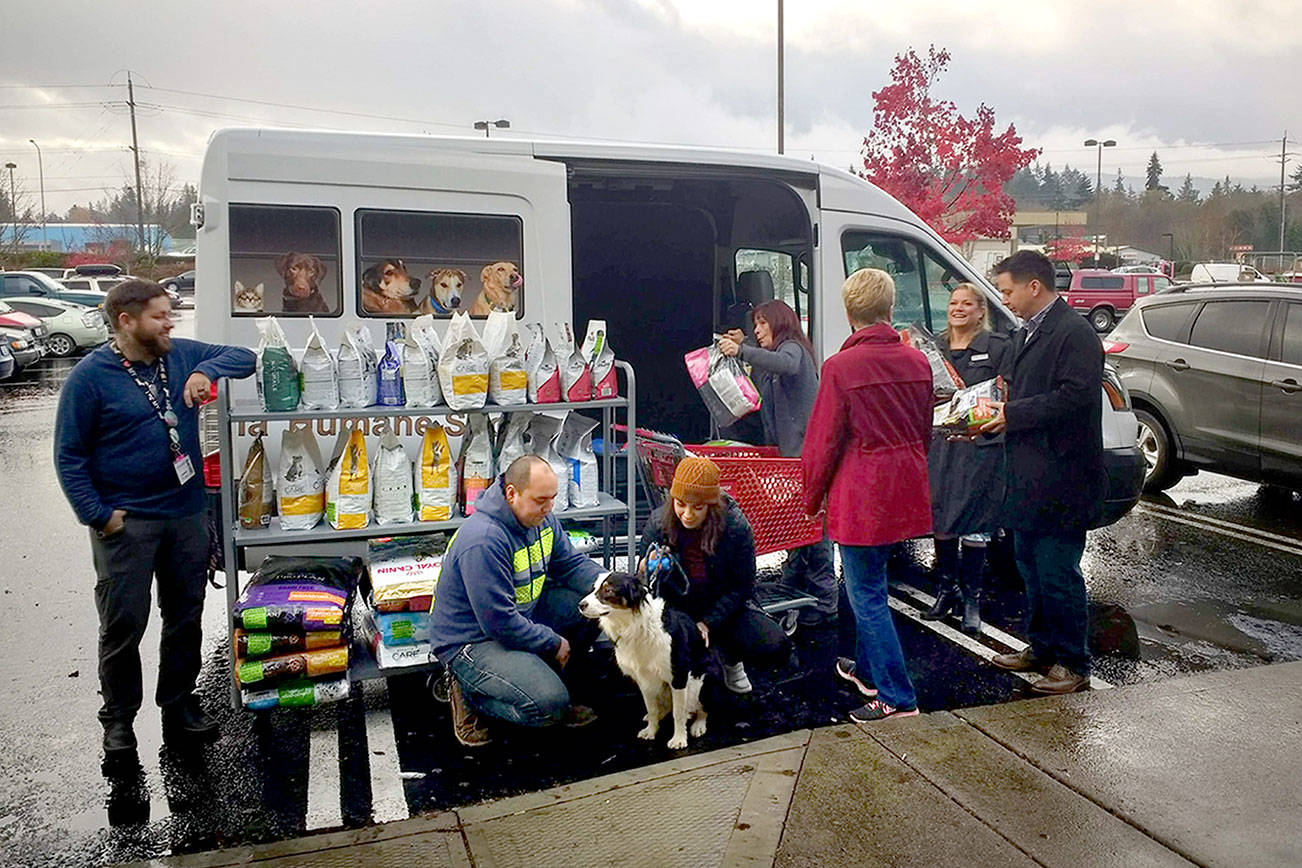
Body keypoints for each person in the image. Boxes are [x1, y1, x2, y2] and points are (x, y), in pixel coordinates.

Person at [54, 279, 256, 763]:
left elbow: (244, 357)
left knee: (184, 618)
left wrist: (205, 370)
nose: (171, 322)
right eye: (160, 316)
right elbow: (69, 456)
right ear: (126, 321)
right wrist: (99, 517)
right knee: (124, 624)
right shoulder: (90, 378)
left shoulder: (180, 355)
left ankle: (178, 705)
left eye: (170, 314)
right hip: (128, 524)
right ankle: (119, 722)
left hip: (184, 515)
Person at [801, 268, 933, 722]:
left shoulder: (840, 368)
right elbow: (924, 430)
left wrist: (810, 497)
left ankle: (897, 697)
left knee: (865, 593)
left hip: (860, 492)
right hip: (904, 485)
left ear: (849, 313)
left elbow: (823, 442)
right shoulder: (917, 362)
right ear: (890, 308)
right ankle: (868, 670)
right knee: (871, 583)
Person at [980, 250, 1104, 695]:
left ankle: (1073, 662)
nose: (1004, 299)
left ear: (1035, 286)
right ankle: (1041, 647)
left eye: (1008, 290)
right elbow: (1009, 386)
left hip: (1064, 479)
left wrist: (1012, 413)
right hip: (1027, 477)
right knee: (1028, 566)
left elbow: (1074, 397)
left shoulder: (1075, 334)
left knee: (1057, 572)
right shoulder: (1024, 333)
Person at [430, 455, 603, 746]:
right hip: (473, 639)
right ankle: (471, 693)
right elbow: (500, 623)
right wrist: (552, 641)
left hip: (521, 615)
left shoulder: (542, 519)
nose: (549, 508)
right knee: (549, 706)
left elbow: (571, 565)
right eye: (540, 500)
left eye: (553, 498)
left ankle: (532, 676)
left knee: (596, 608)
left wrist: (610, 585)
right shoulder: (484, 540)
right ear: (512, 494)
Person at [717, 300, 835, 625]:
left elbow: (783, 362)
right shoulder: (773, 358)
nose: (757, 330)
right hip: (789, 457)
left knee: (814, 525)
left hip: (807, 456)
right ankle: (793, 583)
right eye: (755, 325)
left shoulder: (794, 349)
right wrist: (747, 345)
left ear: (779, 323)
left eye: (762, 324)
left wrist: (741, 350)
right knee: (796, 522)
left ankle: (826, 602)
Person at [641, 456, 788, 694]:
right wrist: (648, 570)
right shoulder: (659, 523)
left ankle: (730, 657)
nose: (687, 514)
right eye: (680, 504)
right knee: (701, 678)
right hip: (679, 605)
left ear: (711, 505)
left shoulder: (735, 527)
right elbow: (648, 588)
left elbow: (743, 587)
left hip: (724, 605)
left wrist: (708, 622)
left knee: (773, 643)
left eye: (697, 507)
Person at [922, 284, 1010, 634]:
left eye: (966, 304)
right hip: (942, 446)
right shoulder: (934, 348)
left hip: (980, 447)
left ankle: (972, 599)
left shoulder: (997, 347)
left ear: (980, 311)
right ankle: (947, 591)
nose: (958, 309)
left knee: (975, 523)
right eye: (953, 303)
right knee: (942, 519)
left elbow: (1009, 392)